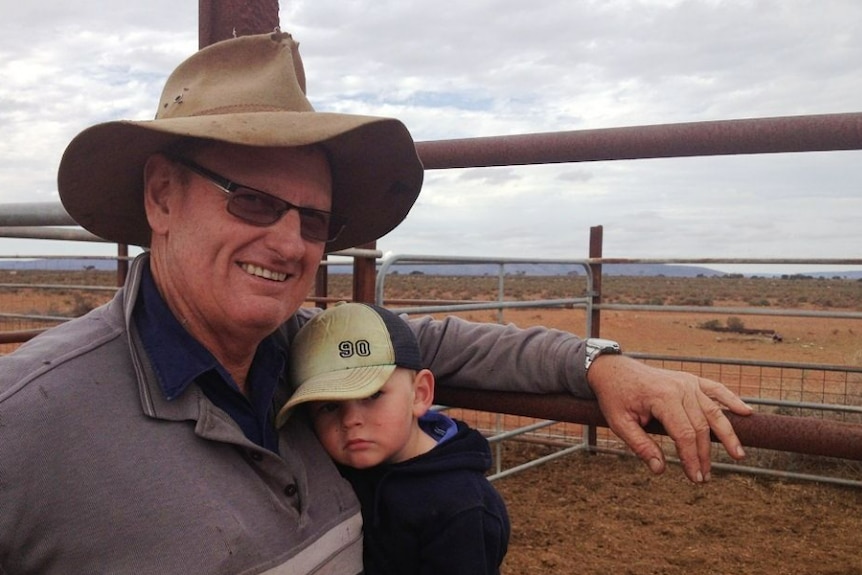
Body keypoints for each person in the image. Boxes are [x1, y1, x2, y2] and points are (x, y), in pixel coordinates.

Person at [0, 31, 751, 574]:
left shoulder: (309, 353)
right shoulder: (29, 423)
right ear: (162, 196)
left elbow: (443, 343)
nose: (292, 244)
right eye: (255, 201)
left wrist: (600, 364)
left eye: (315, 220)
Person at [277, 302, 510, 575]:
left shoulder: (462, 507)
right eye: (328, 406)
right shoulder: (337, 473)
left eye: (373, 395)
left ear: (420, 394)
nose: (351, 419)